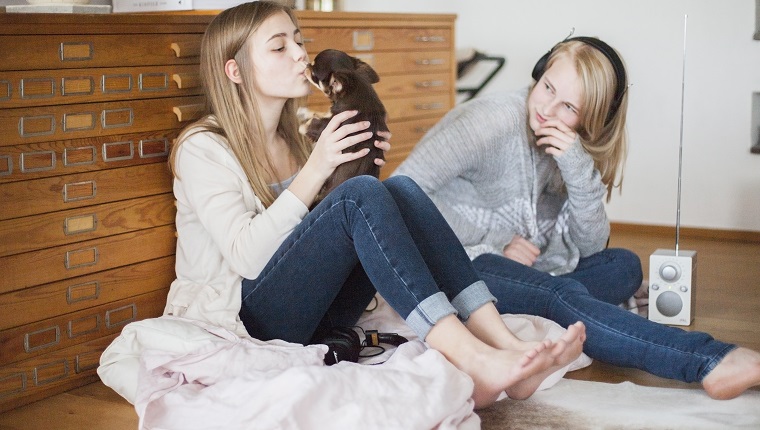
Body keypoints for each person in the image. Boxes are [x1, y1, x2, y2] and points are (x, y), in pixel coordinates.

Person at [163, 1, 586, 410]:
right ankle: (474, 360)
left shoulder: (298, 135)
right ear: (234, 70)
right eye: (279, 47)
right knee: (361, 195)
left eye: (298, 40)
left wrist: (360, 167)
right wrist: (321, 169)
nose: (299, 54)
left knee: (399, 190)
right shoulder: (204, 148)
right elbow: (250, 258)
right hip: (243, 319)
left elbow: (323, 240)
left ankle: (503, 343)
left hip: (314, 312)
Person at [394, 36, 760, 400]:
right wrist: (497, 236)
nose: (547, 109)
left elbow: (590, 246)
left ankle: (551, 299)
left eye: (568, 106)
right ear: (540, 71)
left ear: (591, 118)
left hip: (534, 268)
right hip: (465, 263)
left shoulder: (572, 145)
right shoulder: (486, 121)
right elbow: (400, 194)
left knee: (623, 266)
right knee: (560, 295)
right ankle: (708, 361)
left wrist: (575, 162)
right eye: (547, 86)